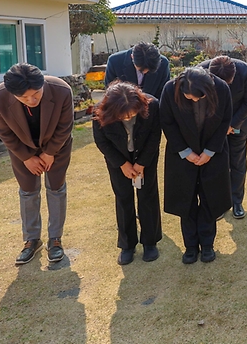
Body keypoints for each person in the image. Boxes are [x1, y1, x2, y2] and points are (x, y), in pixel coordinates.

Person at [0, 63, 74, 266]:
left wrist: (50, 152)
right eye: (24, 98)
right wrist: (26, 157)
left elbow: (65, 126)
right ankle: (31, 240)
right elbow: (5, 133)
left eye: (36, 93)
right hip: (21, 149)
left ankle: (55, 239)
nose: (31, 100)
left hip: (57, 146)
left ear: (43, 83)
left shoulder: (62, 91)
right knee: (27, 191)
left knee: (56, 187)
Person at [159, 67, 232, 264]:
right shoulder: (169, 90)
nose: (194, 101)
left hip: (213, 154)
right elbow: (167, 122)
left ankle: (207, 244)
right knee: (186, 200)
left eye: (198, 98)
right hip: (181, 155)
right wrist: (185, 152)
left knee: (210, 199)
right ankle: (190, 246)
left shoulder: (222, 88)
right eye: (189, 98)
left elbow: (225, 120)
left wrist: (209, 151)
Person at [92, 82, 162, 265]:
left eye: (132, 113)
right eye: (124, 115)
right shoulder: (100, 111)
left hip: (146, 156)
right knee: (123, 197)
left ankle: (150, 242)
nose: (129, 117)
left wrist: (142, 163)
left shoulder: (152, 105)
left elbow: (155, 136)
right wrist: (122, 164)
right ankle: (127, 244)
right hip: (118, 159)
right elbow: (102, 142)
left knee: (148, 195)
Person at [198, 55, 247, 219]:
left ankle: (237, 201)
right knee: (216, 163)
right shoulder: (200, 72)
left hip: (239, 122)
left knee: (237, 162)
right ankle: (219, 203)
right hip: (212, 125)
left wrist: (232, 125)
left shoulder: (245, 71)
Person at [104, 41, 172, 97]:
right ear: (132, 57)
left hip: (152, 108)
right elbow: (110, 92)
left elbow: (163, 94)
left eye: (149, 71)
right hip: (122, 108)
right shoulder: (115, 61)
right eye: (141, 70)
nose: (145, 72)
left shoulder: (163, 64)